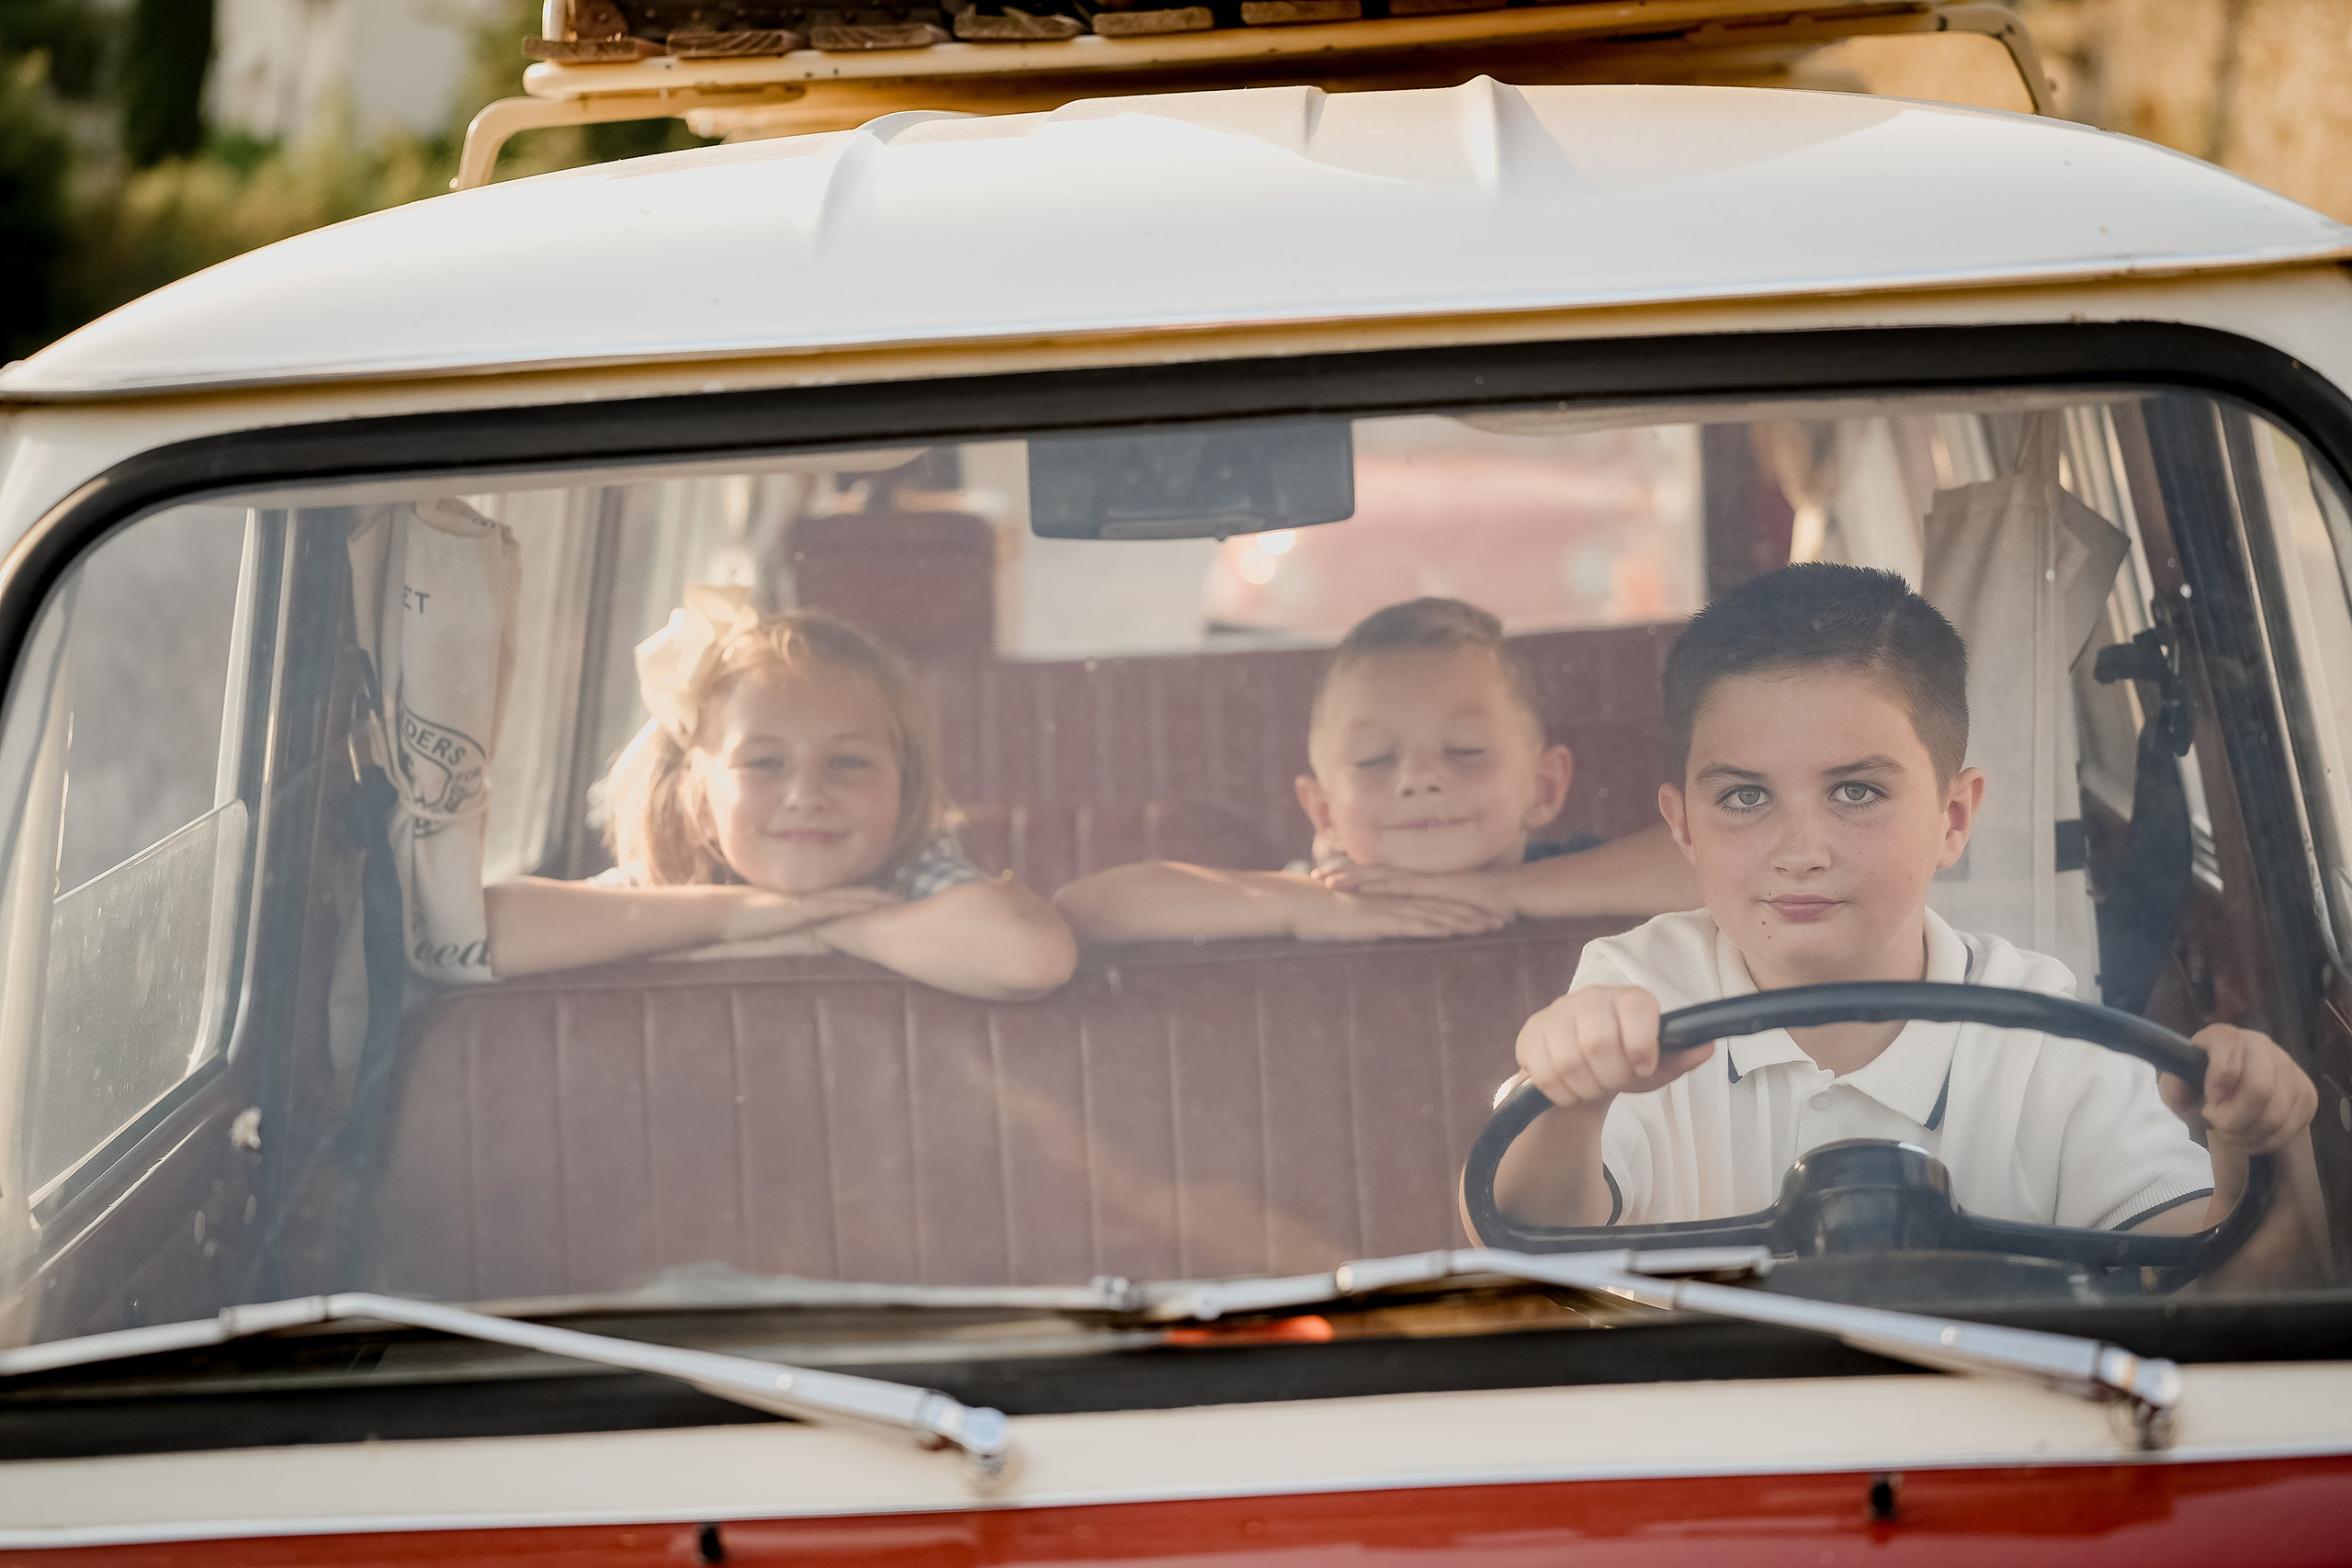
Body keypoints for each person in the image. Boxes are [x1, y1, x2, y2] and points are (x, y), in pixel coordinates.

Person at [1489, 562, 2328, 1287]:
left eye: (1857, 791)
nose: (1801, 851)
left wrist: (2248, 1139)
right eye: (1745, 796)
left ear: (1954, 816)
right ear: (1684, 828)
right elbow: (1520, 1229)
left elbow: (2197, 1264)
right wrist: (1575, 1097)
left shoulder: (2038, 1025)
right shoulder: (1638, 992)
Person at [485, 586, 1077, 1000]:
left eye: (848, 761)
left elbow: (1029, 954)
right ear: (700, 805)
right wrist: (736, 915)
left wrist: (823, 929)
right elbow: (488, 930)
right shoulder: (679, 887)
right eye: (764, 763)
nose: (807, 793)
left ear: (904, 790)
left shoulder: (911, 877)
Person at [1053, 597, 1698, 944]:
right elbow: (1089, 907)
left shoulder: (1584, 875)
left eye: (1466, 748)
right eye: (1373, 759)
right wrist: (1301, 907)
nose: (1418, 777)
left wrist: (1505, 893)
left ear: (1546, 786)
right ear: (1323, 811)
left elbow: (1732, 866)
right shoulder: (1321, 897)